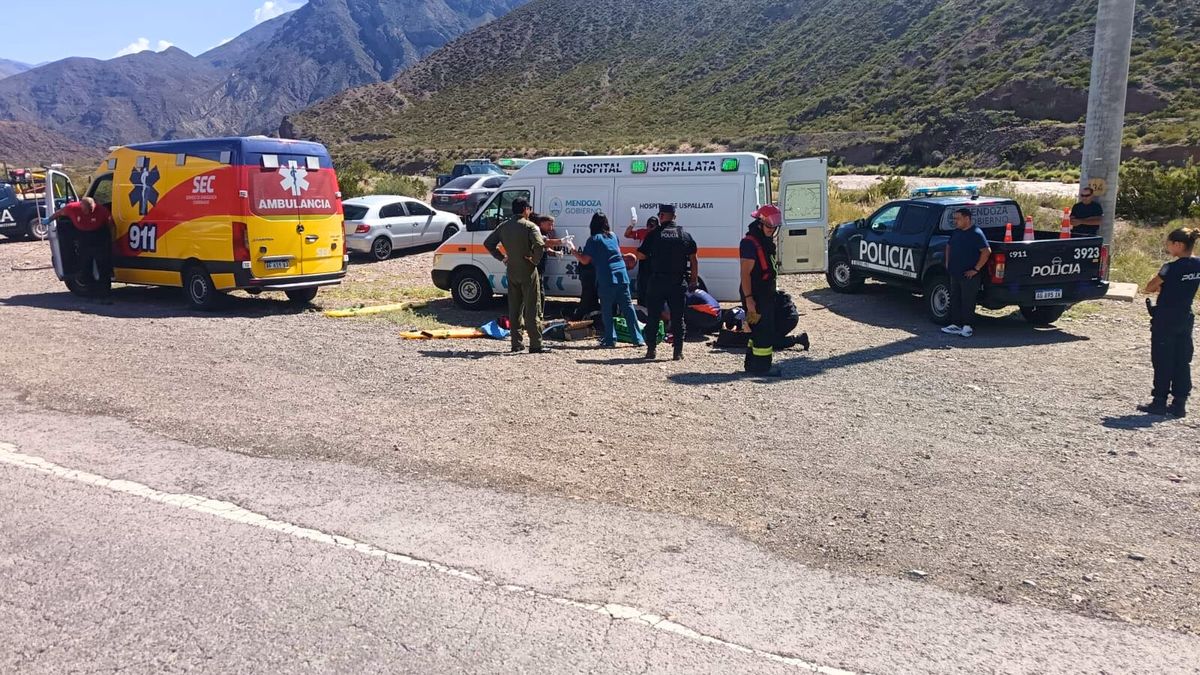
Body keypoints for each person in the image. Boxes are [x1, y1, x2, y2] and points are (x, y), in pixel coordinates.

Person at [739, 205, 810, 376]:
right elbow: (745, 274)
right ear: (760, 223)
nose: (771, 230)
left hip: (764, 294)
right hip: (756, 296)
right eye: (768, 226)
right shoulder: (750, 243)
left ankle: (751, 364)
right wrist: (749, 300)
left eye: (774, 227)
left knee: (755, 328)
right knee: (763, 329)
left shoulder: (764, 242)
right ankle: (762, 367)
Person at [1138, 227, 1200, 418]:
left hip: (1165, 318)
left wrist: (1161, 287)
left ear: (1178, 245)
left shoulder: (1170, 268)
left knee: (1163, 359)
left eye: (1169, 244)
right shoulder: (1198, 264)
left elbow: (1150, 287)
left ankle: (1159, 401)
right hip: (1185, 316)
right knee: (1182, 360)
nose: (1168, 247)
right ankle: (1179, 403)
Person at [484, 199, 548, 354]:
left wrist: (503, 258)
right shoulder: (530, 226)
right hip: (528, 270)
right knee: (532, 307)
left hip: (512, 270)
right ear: (525, 209)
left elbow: (488, 243)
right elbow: (540, 245)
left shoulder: (504, 226)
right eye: (529, 209)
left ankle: (516, 343)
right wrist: (534, 260)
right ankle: (535, 344)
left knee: (514, 308)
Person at [635, 204, 697, 360]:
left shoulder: (654, 234)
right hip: (677, 282)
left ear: (661, 216)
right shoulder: (684, 235)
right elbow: (693, 259)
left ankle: (651, 350)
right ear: (674, 217)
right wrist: (693, 280)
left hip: (657, 281)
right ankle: (678, 352)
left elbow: (641, 255)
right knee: (677, 317)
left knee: (653, 316)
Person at [574, 213, 643, 348]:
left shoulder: (593, 239)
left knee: (607, 309)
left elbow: (585, 260)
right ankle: (638, 338)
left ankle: (610, 339)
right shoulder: (613, 236)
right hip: (622, 275)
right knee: (628, 308)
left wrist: (573, 251)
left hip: (607, 277)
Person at [942, 208, 991, 338]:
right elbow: (948, 246)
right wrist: (947, 263)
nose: (955, 221)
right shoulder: (957, 232)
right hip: (955, 272)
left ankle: (967, 327)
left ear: (967, 218)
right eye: (954, 218)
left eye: (958, 218)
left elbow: (986, 252)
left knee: (967, 300)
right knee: (955, 298)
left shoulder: (976, 233)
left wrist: (976, 269)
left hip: (969, 275)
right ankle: (955, 324)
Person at [46, 197, 113, 287]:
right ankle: (89, 286)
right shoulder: (72, 208)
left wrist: (111, 238)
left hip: (98, 236)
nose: (89, 212)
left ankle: (104, 287)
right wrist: (49, 220)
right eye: (86, 210)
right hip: (83, 237)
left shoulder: (102, 210)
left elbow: (110, 224)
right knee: (85, 263)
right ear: (81, 206)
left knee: (102, 263)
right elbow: (59, 213)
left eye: (91, 210)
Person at [626, 215, 659, 302]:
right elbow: (627, 234)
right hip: (643, 261)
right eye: (649, 225)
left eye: (652, 226)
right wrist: (632, 225)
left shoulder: (660, 234)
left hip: (654, 262)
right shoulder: (643, 232)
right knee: (642, 282)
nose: (650, 228)